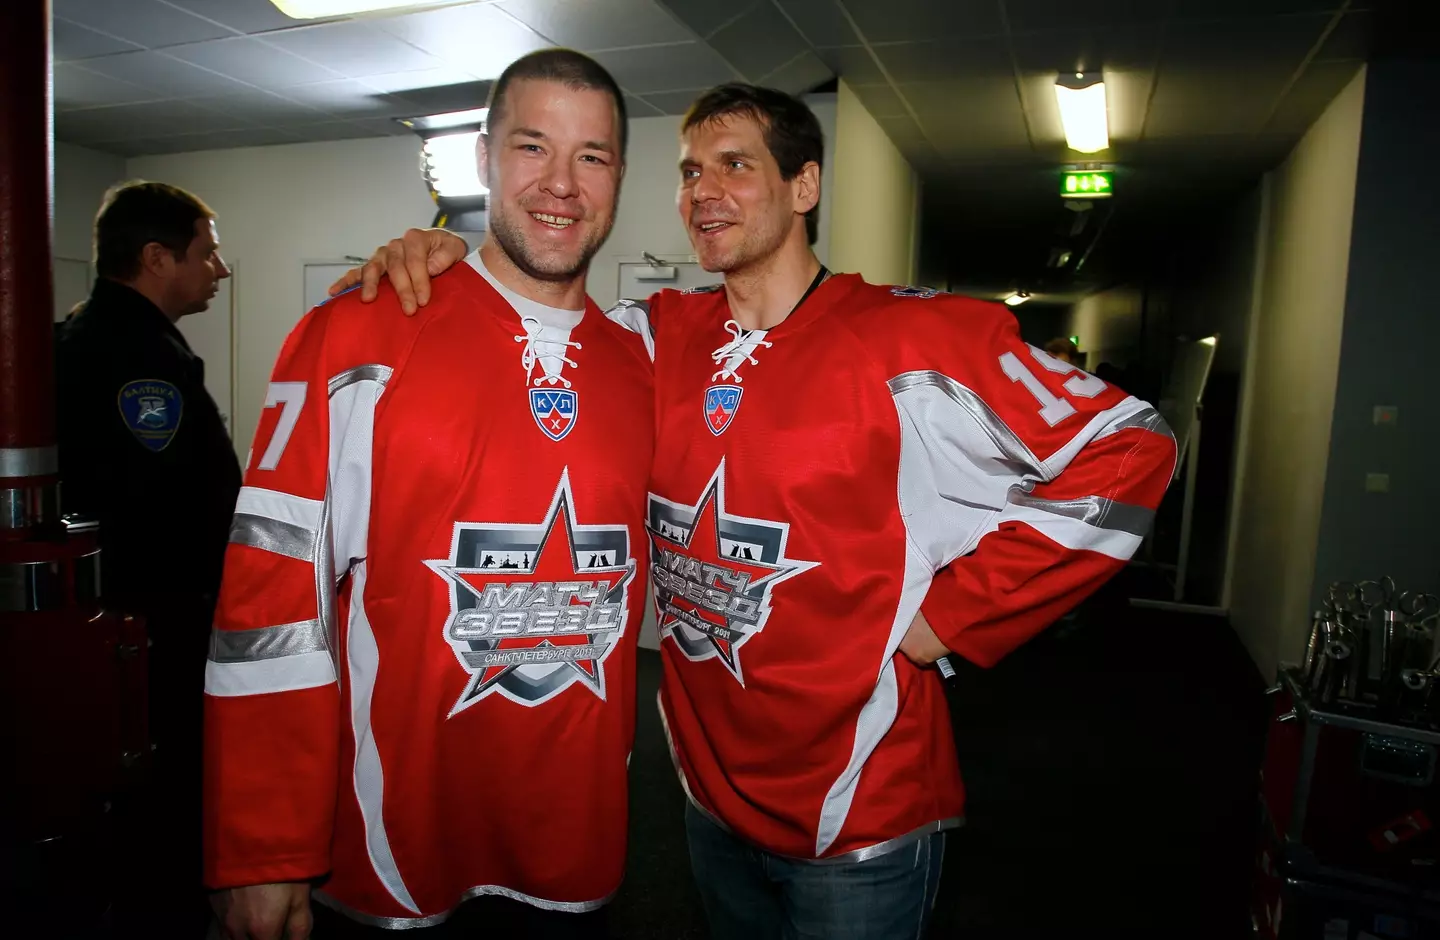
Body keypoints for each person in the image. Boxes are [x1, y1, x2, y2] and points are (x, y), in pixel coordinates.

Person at [340, 83, 1177, 940]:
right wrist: (446, 253)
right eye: (690, 171)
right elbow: (532, 311)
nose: (704, 192)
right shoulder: (654, 337)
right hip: (706, 800)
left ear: (803, 185)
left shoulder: (912, 339)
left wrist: (955, 616)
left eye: (736, 166)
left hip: (859, 814)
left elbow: (1131, 447)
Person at [203, 49, 652, 940]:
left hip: (576, 847)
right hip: (391, 848)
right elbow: (270, 601)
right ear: (483, 157)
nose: (561, 183)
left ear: (619, 177)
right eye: (532, 146)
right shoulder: (355, 336)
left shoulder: (648, 361)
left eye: (592, 156)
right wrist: (262, 843)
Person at [54, 180, 239, 935]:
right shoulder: (138, 359)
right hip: (157, 624)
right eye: (207, 252)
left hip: (109, 626)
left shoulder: (79, 334)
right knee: (164, 801)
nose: (219, 269)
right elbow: (167, 507)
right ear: (158, 258)